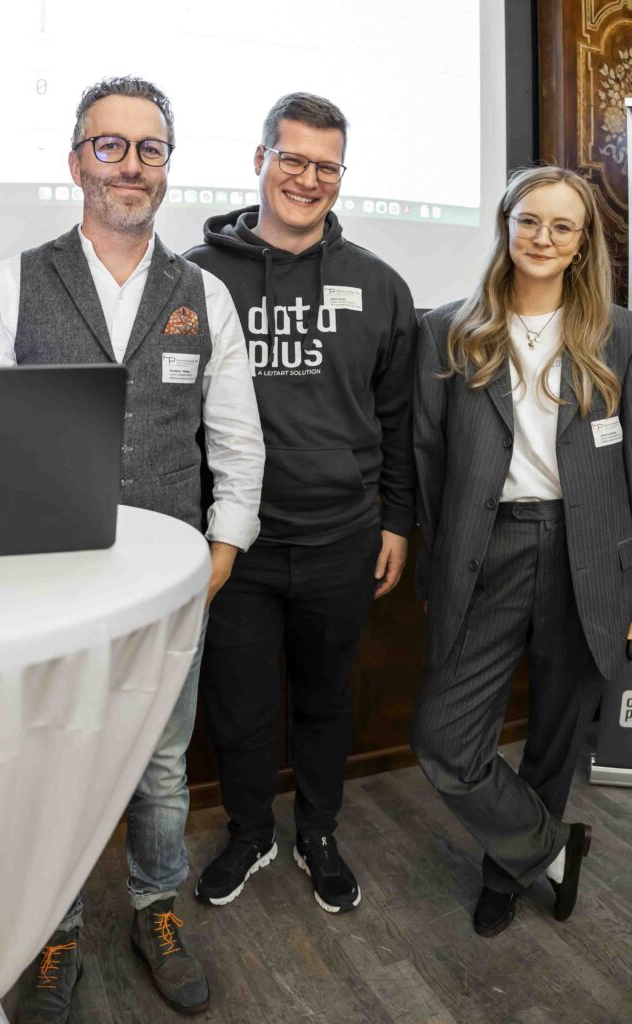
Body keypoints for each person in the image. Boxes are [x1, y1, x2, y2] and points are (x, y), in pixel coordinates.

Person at [0, 76, 265, 1020]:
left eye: (150, 148)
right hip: (47, 583)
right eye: (110, 145)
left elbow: (237, 437)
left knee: (162, 764)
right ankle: (50, 927)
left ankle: (153, 905)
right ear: (76, 161)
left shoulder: (203, 294)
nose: (131, 165)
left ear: (166, 167)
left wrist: (224, 548)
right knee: (46, 761)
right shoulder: (18, 279)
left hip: (171, 584)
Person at [184, 92, 417, 914]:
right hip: (232, 546)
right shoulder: (193, 275)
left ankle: (318, 833)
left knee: (325, 700)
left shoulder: (379, 285)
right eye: (292, 159)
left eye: (327, 166)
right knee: (239, 709)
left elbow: (397, 419)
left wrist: (395, 521)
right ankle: (250, 834)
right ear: (259, 160)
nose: (307, 179)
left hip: (342, 538)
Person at [411, 165, 632, 937]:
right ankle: (546, 848)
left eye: (561, 226)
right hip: (488, 548)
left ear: (581, 242)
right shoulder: (448, 329)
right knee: (443, 739)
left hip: (588, 552)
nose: (542, 237)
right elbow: (426, 459)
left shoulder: (617, 333)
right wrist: (436, 568)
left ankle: (505, 872)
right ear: (505, 225)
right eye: (528, 220)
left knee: (556, 734)